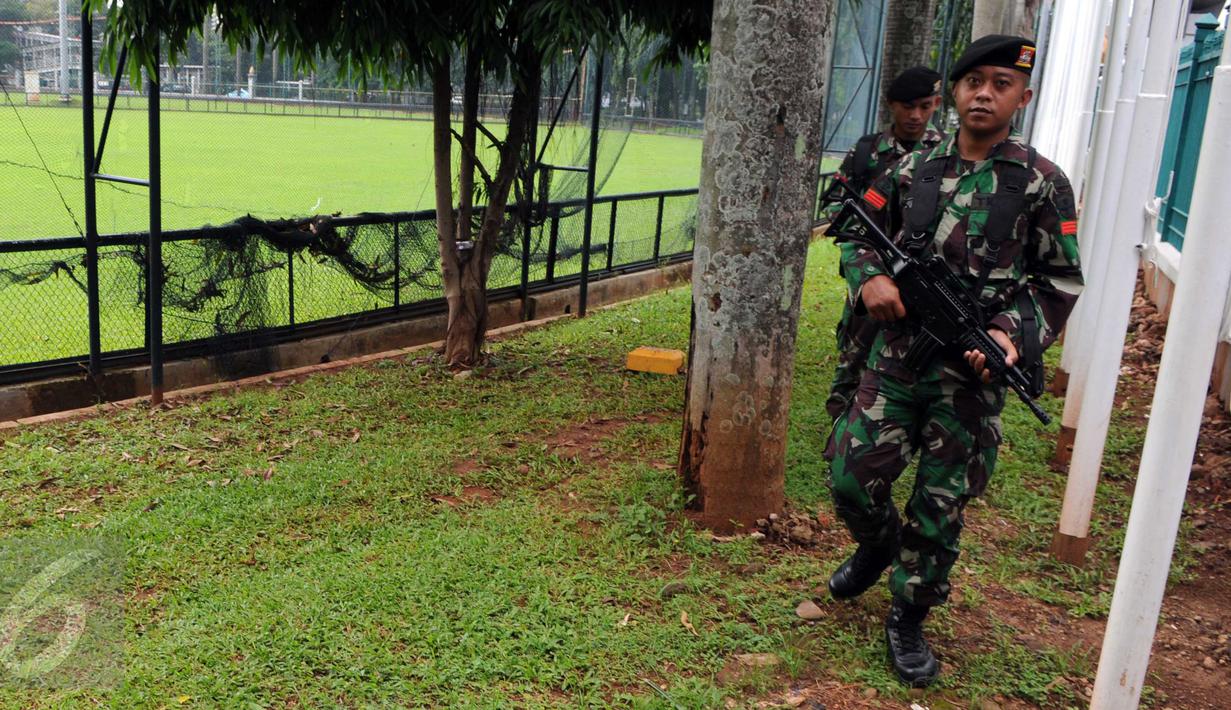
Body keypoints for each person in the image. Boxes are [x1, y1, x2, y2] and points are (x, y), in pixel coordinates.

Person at [823, 35, 1084, 687]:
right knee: (850, 478)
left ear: (1021, 98)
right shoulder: (912, 169)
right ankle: (877, 543)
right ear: (956, 92)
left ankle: (907, 615)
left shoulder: (1041, 185)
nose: (984, 93)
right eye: (973, 81)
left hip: (968, 373)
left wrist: (1006, 335)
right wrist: (868, 281)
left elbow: (1058, 282)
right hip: (896, 356)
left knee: (939, 503)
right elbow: (855, 233)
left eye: (1001, 83)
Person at [821, 66, 947, 420]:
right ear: (891, 105)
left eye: (925, 106)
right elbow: (834, 204)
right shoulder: (867, 152)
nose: (916, 115)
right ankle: (842, 425)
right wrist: (863, 254)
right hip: (870, 274)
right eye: (907, 106)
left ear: (936, 103)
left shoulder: (949, 154)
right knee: (853, 355)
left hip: (924, 277)